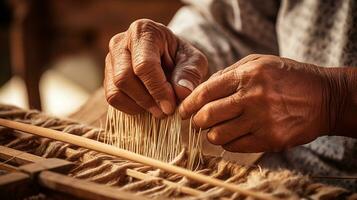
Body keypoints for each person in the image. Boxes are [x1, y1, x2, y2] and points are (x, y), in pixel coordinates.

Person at [104, 0, 356, 190]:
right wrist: (182, 59)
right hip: (277, 179)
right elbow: (230, 24)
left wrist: (337, 98)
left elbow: (337, 98)